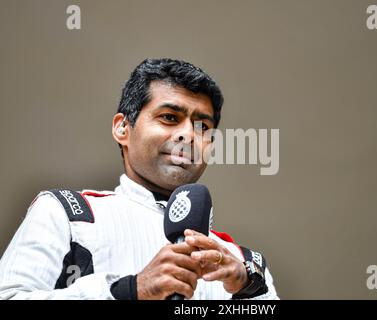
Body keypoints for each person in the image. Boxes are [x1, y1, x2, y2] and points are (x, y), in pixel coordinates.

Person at [0, 58, 278, 300]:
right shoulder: (67, 214)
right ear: (122, 128)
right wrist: (130, 291)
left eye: (202, 127)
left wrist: (249, 289)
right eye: (169, 117)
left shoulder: (244, 264)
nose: (189, 136)